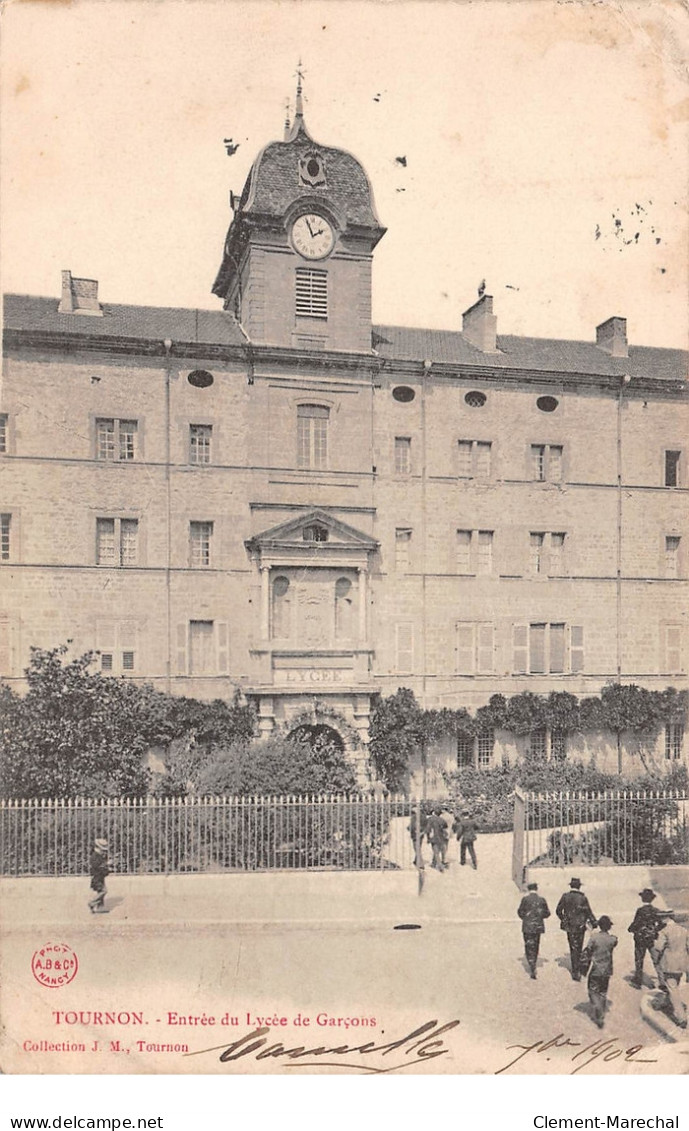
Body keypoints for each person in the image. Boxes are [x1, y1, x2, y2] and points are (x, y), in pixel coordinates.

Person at [651, 909, 689, 1029]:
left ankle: (681, 1018)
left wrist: (654, 939)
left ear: (664, 919)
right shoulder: (684, 930)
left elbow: (658, 947)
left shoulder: (664, 931)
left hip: (669, 964)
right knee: (672, 985)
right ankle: (665, 1003)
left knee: (672, 988)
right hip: (682, 963)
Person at [556, 877, 597, 982]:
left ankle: (575, 971)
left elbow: (558, 910)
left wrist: (564, 919)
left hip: (569, 926)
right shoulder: (582, 898)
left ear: (571, 886)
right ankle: (577, 969)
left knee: (573, 947)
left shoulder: (565, 897)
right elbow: (588, 911)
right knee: (579, 946)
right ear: (579, 886)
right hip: (580, 926)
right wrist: (594, 922)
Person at [582, 915, 617, 1029]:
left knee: (592, 990)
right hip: (607, 970)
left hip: (596, 968)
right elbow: (614, 941)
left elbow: (588, 949)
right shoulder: (612, 939)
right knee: (603, 991)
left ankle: (597, 1009)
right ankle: (601, 1014)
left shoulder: (594, 938)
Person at [627, 888, 662, 988]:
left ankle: (638, 981)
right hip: (651, 938)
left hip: (640, 938)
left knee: (639, 959)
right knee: (656, 960)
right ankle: (661, 981)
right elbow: (661, 923)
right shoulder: (655, 910)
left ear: (642, 899)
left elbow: (636, 923)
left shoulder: (640, 910)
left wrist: (630, 929)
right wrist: (655, 930)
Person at [517, 881, 550, 979]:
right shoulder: (542, 900)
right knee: (536, 945)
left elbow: (520, 911)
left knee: (528, 945)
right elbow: (547, 913)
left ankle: (531, 965)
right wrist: (540, 917)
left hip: (527, 926)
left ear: (528, 889)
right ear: (537, 889)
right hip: (538, 926)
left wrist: (526, 918)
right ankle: (534, 963)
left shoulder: (525, 899)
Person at [88, 838, 110, 914]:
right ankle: (92, 903)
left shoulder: (99, 856)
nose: (103, 851)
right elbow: (97, 866)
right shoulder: (94, 856)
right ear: (97, 848)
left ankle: (100, 907)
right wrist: (106, 865)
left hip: (100, 876)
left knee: (100, 891)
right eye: (102, 850)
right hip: (97, 877)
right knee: (104, 891)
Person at [425, 806, 449, 872]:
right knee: (437, 850)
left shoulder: (430, 819)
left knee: (436, 852)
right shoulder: (442, 820)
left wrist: (428, 838)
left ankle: (440, 866)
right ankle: (433, 863)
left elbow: (428, 829)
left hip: (434, 837)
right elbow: (445, 828)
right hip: (441, 837)